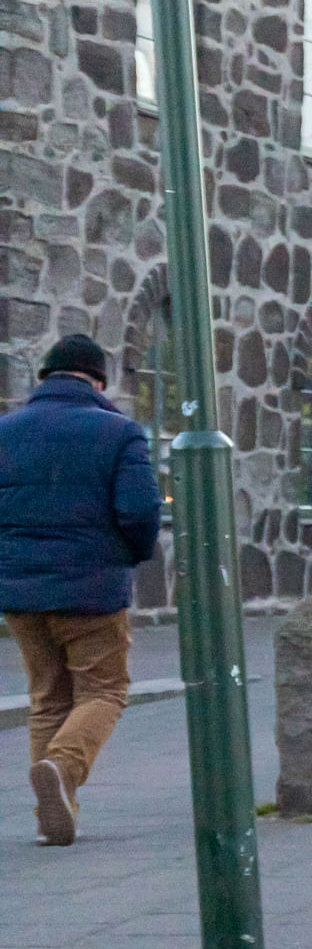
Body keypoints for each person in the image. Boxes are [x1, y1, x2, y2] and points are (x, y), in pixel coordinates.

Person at [1, 335, 164, 847]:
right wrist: (127, 556)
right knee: (105, 690)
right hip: (91, 590)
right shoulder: (119, 433)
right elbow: (140, 512)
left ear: (46, 377)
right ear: (96, 380)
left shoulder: (4, 432)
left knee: (48, 697)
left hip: (20, 592)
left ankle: (57, 813)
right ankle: (62, 770)